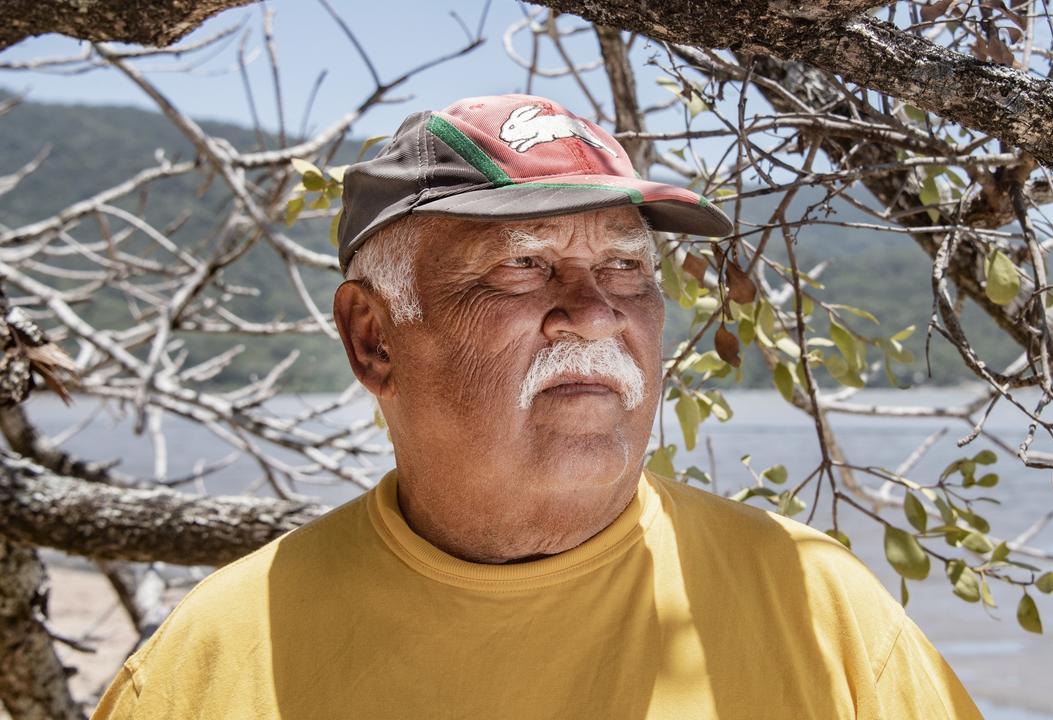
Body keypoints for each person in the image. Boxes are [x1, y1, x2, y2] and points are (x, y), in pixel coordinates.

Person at [93, 93, 982, 719]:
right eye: (524, 264)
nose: (595, 313)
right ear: (374, 340)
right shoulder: (206, 671)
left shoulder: (819, 613)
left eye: (627, 267)